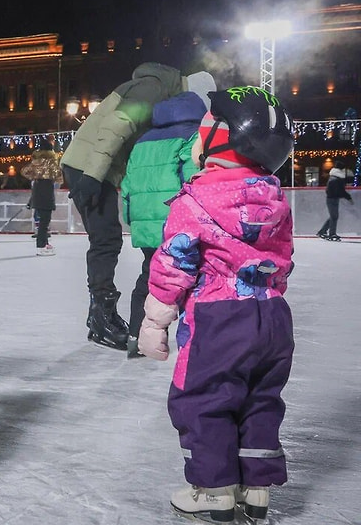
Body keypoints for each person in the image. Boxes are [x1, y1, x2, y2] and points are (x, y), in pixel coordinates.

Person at [138, 86, 295, 524]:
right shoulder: (274, 198)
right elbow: (283, 261)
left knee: (204, 400)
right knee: (261, 398)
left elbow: (174, 265)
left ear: (224, 141)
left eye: (204, 131)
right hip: (273, 317)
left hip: (217, 319)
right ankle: (256, 487)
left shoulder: (195, 201)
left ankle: (214, 491)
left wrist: (154, 323)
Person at [59, 62, 215, 351]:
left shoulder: (158, 92)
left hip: (92, 166)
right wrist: (92, 175)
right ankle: (101, 316)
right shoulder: (153, 87)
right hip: (90, 165)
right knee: (105, 240)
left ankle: (101, 315)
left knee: (107, 239)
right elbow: (117, 125)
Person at [120, 91, 205, 358]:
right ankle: (194, 342)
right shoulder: (194, 135)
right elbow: (195, 180)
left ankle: (136, 336)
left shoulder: (142, 141)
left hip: (145, 224)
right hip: (177, 224)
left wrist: (131, 219)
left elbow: (127, 186)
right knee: (192, 279)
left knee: (149, 276)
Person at [21, 146, 62, 256]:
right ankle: (41, 246)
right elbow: (59, 178)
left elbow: (24, 171)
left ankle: (45, 242)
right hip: (46, 193)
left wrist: (35, 176)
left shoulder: (36, 163)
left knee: (43, 221)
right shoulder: (51, 164)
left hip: (37, 193)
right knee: (45, 222)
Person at [316, 159, 355, 241]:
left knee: (333, 216)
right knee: (334, 216)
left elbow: (337, 190)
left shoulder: (335, 178)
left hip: (332, 199)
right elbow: (341, 191)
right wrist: (349, 198)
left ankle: (322, 231)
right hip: (332, 199)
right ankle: (331, 233)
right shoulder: (336, 179)